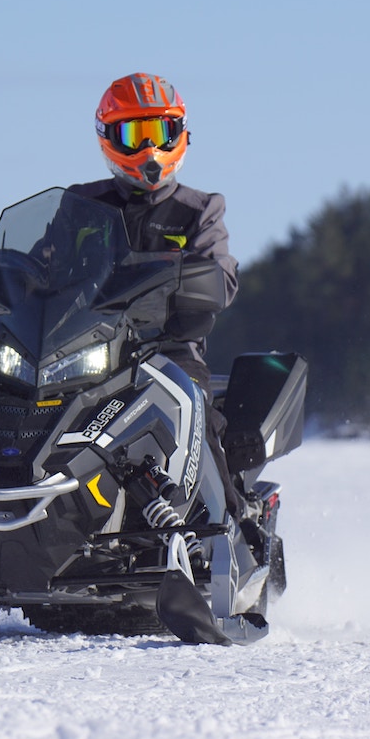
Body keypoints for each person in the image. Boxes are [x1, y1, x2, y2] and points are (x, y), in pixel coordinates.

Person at [68, 72, 248, 522]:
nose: (149, 149)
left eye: (159, 133)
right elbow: (40, 264)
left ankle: (230, 521)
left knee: (196, 412)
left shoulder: (200, 209)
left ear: (180, 134)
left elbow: (222, 277)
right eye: (134, 134)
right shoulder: (79, 207)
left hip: (168, 348)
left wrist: (188, 284)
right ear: (109, 138)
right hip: (85, 350)